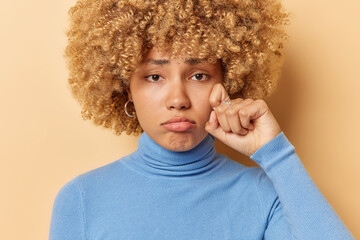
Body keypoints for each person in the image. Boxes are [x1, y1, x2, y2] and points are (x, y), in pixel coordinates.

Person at [49, 0, 355, 239]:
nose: (178, 100)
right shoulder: (82, 200)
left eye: (199, 75)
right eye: (154, 76)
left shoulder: (262, 194)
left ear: (229, 81)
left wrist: (275, 152)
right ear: (126, 87)